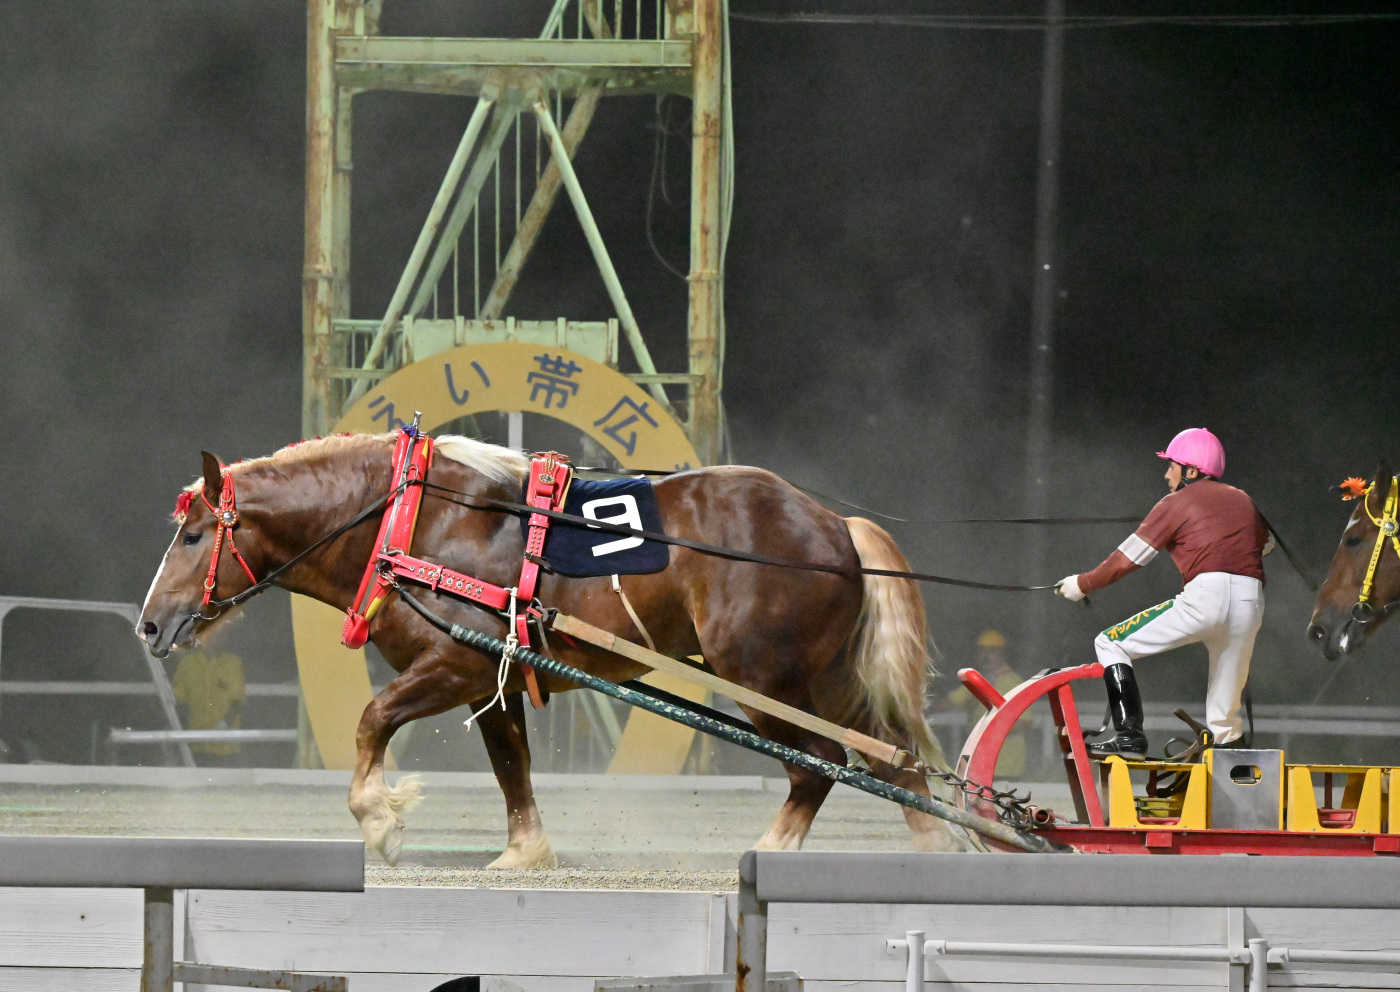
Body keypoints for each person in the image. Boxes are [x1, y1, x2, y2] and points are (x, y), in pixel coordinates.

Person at [1054, 428, 1270, 757]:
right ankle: (1243, 790)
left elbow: (1126, 560)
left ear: (1192, 471)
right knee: (1225, 719)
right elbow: (1264, 546)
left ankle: (1129, 737)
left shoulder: (1174, 502)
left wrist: (1082, 584)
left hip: (1206, 598)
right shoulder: (1244, 500)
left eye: (1172, 465)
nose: (1166, 472)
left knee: (1110, 643)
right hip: (1249, 603)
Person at [937, 630, 1028, 776]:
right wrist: (922, 711)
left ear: (1002, 654)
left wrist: (987, 734)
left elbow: (1024, 721)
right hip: (982, 762)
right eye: (981, 651)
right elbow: (951, 701)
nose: (985, 656)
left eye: (991, 651)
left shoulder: (1013, 681)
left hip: (1008, 766)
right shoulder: (980, 680)